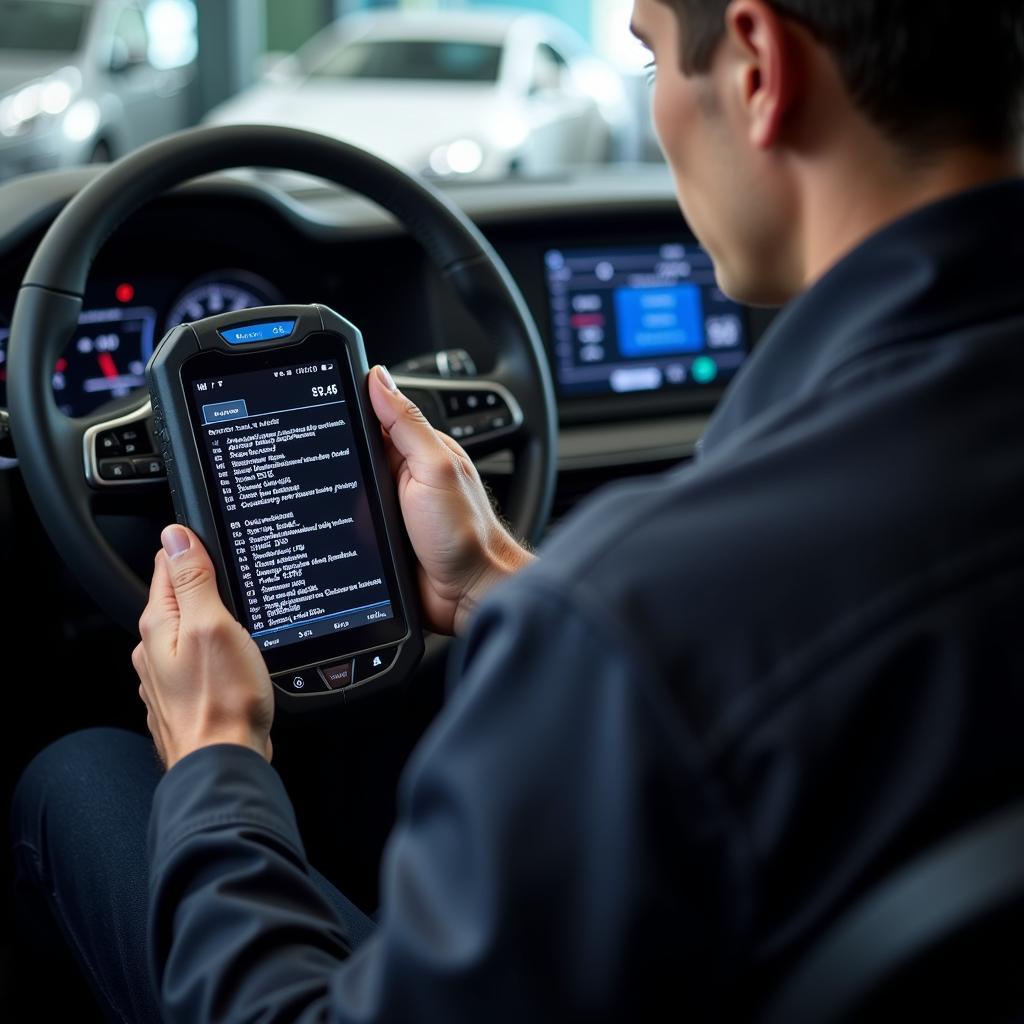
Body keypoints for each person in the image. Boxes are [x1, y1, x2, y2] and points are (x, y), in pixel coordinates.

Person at [12, 0, 1024, 1019]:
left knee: (79, 773)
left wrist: (217, 752)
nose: (659, 105)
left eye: (651, 59)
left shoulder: (626, 616)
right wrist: (500, 582)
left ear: (757, 67)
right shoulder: (637, 620)